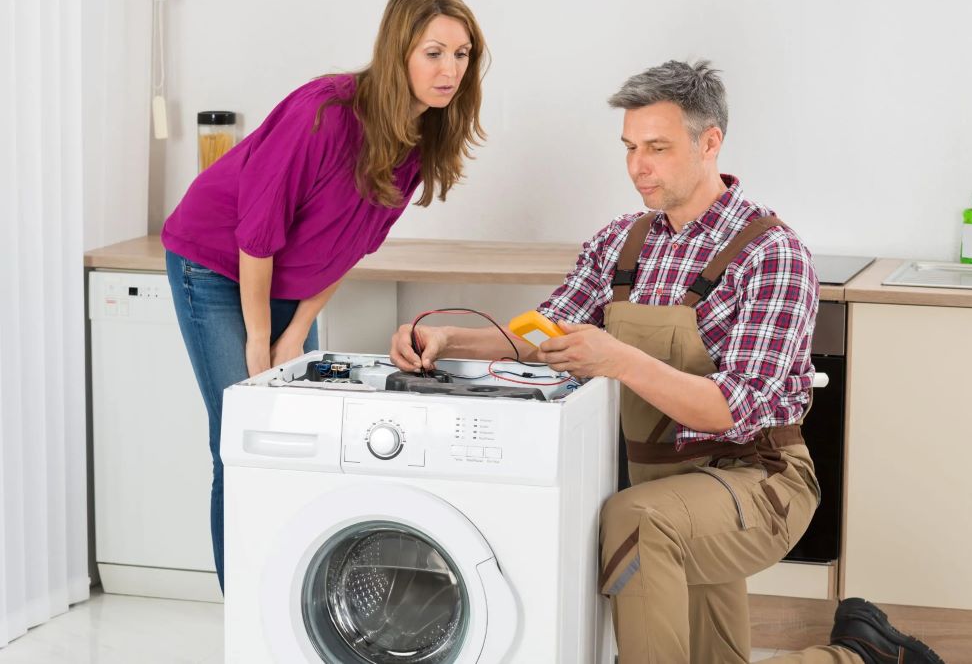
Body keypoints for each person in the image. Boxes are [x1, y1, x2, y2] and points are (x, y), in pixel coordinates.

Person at [389, 61, 943, 663]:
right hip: (669, 483)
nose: (637, 167)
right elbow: (543, 335)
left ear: (710, 143)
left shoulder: (771, 253)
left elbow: (730, 409)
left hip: (758, 483)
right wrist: (448, 340)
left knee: (635, 520)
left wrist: (618, 358)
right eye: (629, 147)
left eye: (657, 147)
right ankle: (866, 655)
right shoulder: (619, 240)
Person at [162, 0, 487, 592]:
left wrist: (297, 330)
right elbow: (257, 232)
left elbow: (351, 245)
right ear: (399, 53)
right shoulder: (326, 112)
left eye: (462, 55)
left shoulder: (421, 135)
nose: (450, 71)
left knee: (295, 439)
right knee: (242, 438)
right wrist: (263, 340)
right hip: (216, 264)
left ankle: (289, 604)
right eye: (434, 53)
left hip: (283, 280)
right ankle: (247, 619)